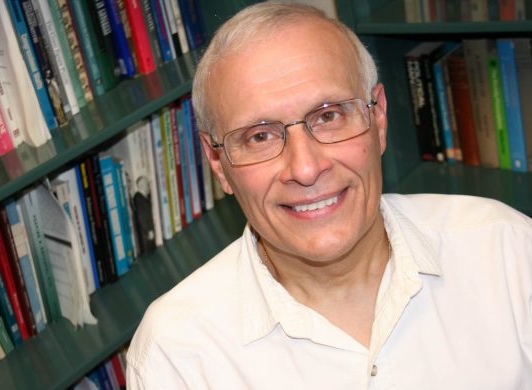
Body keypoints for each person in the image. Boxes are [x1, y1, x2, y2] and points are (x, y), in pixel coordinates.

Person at [127, 3, 532, 388]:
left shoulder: (508, 251)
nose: (305, 168)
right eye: (260, 136)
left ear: (378, 119)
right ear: (218, 164)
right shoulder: (175, 355)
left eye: (328, 115)